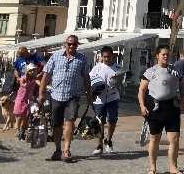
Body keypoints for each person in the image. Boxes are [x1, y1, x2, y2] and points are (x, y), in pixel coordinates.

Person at [38, 34, 92, 163]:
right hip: (56, 95)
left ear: (77, 45)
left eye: (74, 44)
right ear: (65, 44)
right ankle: (57, 150)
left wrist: (89, 95)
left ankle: (66, 150)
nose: (72, 46)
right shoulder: (55, 56)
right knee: (56, 125)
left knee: (70, 122)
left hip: (72, 96)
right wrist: (41, 93)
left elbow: (86, 78)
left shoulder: (82, 59)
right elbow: (46, 75)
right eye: (69, 44)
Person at [138, 44, 184, 174]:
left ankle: (173, 167)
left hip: (171, 108)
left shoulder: (175, 71)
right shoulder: (150, 71)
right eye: (163, 54)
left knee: (175, 139)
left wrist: (183, 102)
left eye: (168, 54)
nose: (166, 56)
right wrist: (142, 106)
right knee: (155, 138)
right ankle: (152, 167)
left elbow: (183, 87)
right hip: (155, 109)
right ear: (157, 56)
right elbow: (141, 90)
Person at [89, 45, 123, 155]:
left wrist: (118, 83)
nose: (107, 59)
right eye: (104, 57)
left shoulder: (118, 68)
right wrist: (92, 93)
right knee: (99, 122)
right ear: (102, 56)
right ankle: (99, 145)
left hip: (113, 98)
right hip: (99, 99)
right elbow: (91, 82)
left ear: (112, 56)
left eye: (109, 56)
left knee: (112, 120)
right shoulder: (96, 68)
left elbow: (122, 84)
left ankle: (108, 141)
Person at [14, 63, 39, 140]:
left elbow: (39, 83)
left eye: (34, 71)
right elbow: (24, 85)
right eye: (31, 71)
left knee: (25, 117)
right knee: (19, 117)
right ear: (28, 71)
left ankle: (22, 132)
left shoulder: (34, 80)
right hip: (21, 99)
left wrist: (42, 85)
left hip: (28, 100)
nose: (33, 72)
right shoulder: (23, 78)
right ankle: (17, 131)